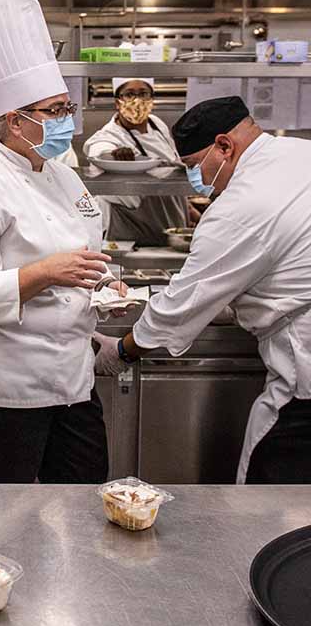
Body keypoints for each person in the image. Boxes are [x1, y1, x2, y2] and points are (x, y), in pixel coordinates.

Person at [0, 0, 128, 485]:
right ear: (14, 121)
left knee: (85, 506)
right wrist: (46, 272)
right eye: (55, 110)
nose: (68, 120)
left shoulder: (64, 176)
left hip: (72, 381)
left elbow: (82, 262)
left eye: (67, 107)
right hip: (4, 390)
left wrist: (103, 288)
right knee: (8, 522)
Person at [94, 95, 311, 484]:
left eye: (195, 166)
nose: (197, 178)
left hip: (305, 376)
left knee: (274, 494)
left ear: (224, 146)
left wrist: (124, 349)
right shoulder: (300, 153)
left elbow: (183, 302)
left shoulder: (241, 204)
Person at [83, 77, 193, 244]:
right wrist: (114, 154)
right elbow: (98, 150)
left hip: (173, 218)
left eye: (143, 93)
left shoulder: (157, 124)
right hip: (129, 225)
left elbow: (172, 164)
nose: (137, 100)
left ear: (152, 99)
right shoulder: (109, 135)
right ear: (117, 102)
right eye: (129, 94)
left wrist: (191, 210)